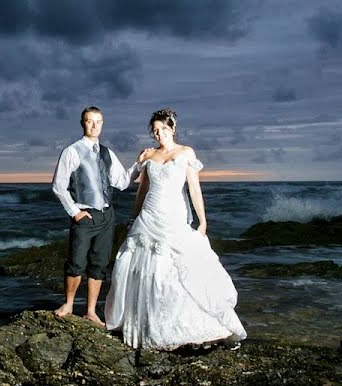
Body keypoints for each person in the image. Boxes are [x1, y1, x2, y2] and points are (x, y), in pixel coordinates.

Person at [105, 108, 246, 350]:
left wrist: (203, 221)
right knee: (146, 266)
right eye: (155, 130)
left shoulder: (186, 153)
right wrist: (135, 217)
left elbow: (194, 189)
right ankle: (147, 322)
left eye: (163, 129)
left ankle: (187, 322)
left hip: (174, 215)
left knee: (179, 267)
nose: (158, 134)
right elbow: (142, 190)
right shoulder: (148, 155)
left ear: (173, 128)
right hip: (150, 214)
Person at [52, 106, 138, 327]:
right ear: (83, 123)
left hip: (107, 217)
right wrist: (75, 212)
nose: (94, 125)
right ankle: (69, 305)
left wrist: (140, 164)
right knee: (76, 263)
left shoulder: (108, 153)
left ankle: (90, 311)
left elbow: (122, 182)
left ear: (102, 124)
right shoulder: (72, 151)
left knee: (99, 265)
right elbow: (59, 187)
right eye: (90, 121)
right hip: (85, 216)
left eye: (98, 121)